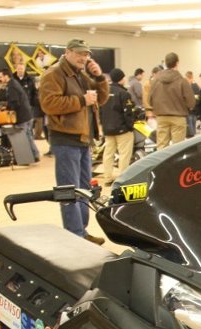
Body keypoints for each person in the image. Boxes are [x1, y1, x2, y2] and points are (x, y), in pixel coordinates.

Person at [39, 38, 109, 244]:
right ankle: (75, 235)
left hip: (83, 139)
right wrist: (81, 101)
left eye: (86, 54)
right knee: (69, 191)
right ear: (68, 52)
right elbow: (49, 104)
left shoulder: (82, 75)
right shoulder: (53, 74)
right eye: (79, 53)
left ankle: (82, 232)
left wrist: (100, 78)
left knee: (84, 189)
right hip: (65, 139)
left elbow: (101, 100)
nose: (83, 58)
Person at [149, 52, 194, 150]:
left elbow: (149, 99)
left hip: (161, 117)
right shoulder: (182, 81)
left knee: (161, 147)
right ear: (177, 63)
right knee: (177, 149)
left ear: (165, 63)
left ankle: (161, 165)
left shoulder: (156, 80)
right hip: (178, 117)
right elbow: (191, 102)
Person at [98, 68, 135, 185]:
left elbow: (100, 111)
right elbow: (128, 112)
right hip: (122, 129)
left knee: (108, 154)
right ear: (121, 79)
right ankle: (123, 179)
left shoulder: (104, 92)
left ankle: (107, 178)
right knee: (124, 155)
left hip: (108, 129)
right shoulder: (124, 93)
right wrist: (130, 127)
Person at [0, 67, 38, 163]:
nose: (0, 79)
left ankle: (26, 159)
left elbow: (14, 102)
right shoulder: (14, 83)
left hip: (22, 116)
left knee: (22, 138)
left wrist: (6, 109)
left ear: (6, 76)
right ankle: (35, 155)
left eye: (1, 77)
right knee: (28, 136)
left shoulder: (12, 86)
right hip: (27, 114)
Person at [12, 62, 42, 143]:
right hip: (15, 108)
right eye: (19, 68)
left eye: (22, 69)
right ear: (16, 69)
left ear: (24, 69)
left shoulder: (30, 79)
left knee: (28, 128)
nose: (20, 70)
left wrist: (33, 104)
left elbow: (34, 93)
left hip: (28, 107)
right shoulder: (12, 79)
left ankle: (29, 145)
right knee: (17, 128)